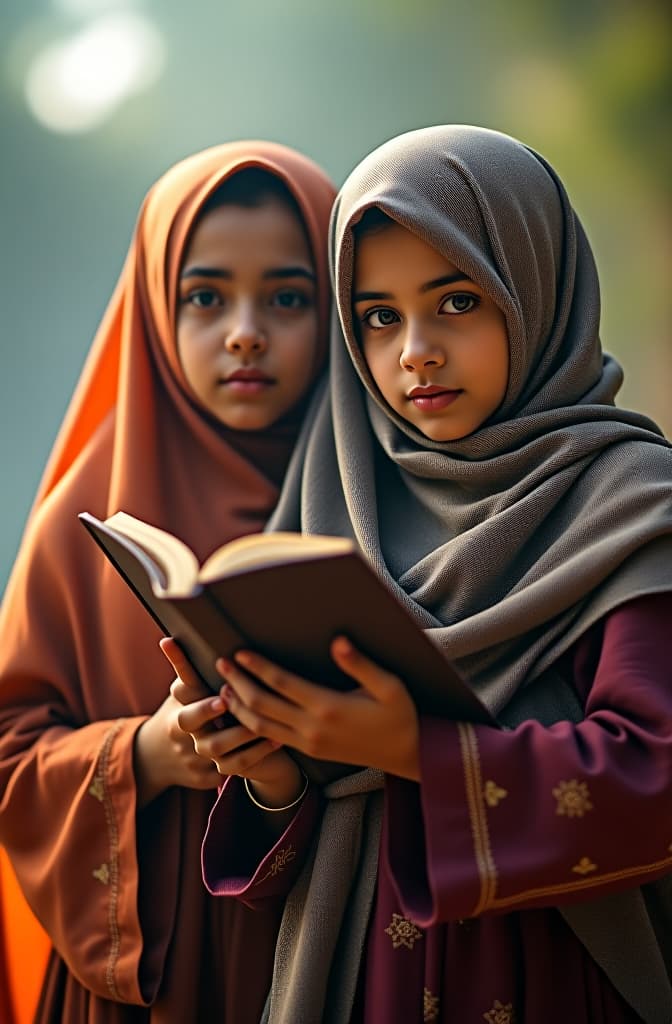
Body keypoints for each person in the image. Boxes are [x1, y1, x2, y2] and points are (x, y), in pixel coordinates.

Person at [176, 126, 672, 1023]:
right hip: (364, 970)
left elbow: (656, 772)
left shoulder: (631, 503)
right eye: (378, 316)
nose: (414, 352)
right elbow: (309, 819)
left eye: (456, 302)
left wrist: (411, 750)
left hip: (555, 970)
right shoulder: (340, 495)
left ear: (536, 287)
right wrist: (271, 766)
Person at [0, 139, 335, 1023]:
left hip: (340, 942)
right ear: (154, 307)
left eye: (290, 297)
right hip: (152, 967)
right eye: (205, 296)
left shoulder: (386, 495)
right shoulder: (87, 517)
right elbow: (8, 754)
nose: (245, 331)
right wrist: (144, 755)